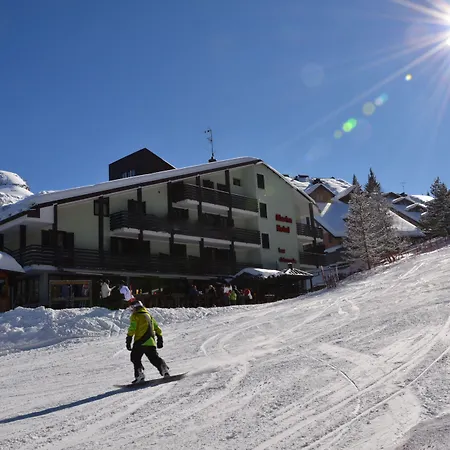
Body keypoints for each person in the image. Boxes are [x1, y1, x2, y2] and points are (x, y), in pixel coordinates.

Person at [125, 298, 170, 384]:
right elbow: (157, 328)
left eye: (132, 308)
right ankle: (164, 369)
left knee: (135, 357)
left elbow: (132, 328)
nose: (131, 310)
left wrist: (129, 339)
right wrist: (159, 338)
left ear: (136, 307)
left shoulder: (135, 316)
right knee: (154, 358)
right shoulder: (149, 315)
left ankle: (139, 374)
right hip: (151, 342)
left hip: (140, 342)